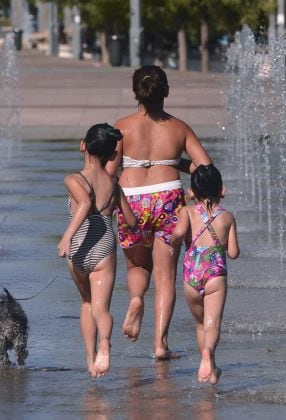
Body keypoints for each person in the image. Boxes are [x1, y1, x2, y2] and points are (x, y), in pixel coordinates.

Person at [106, 65, 213, 360]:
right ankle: (160, 345)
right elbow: (206, 168)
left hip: (131, 199)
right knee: (165, 277)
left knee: (138, 267)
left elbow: (111, 172)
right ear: (166, 91)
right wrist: (178, 164)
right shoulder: (179, 128)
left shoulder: (122, 126)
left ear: (135, 93)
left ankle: (137, 298)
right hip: (168, 197)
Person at [58, 123, 138, 377]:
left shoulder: (73, 179)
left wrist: (66, 238)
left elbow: (83, 204)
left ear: (83, 145)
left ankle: (91, 360)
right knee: (101, 308)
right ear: (112, 155)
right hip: (104, 244)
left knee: (86, 303)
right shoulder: (113, 183)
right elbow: (132, 221)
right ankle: (105, 344)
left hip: (79, 247)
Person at [170, 164, 239, 384]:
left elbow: (179, 233)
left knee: (201, 325)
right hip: (215, 275)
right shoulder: (227, 217)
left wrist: (174, 243)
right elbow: (234, 253)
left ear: (191, 192)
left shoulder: (187, 212)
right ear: (222, 191)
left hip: (191, 275)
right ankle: (208, 354)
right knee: (213, 324)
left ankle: (209, 362)